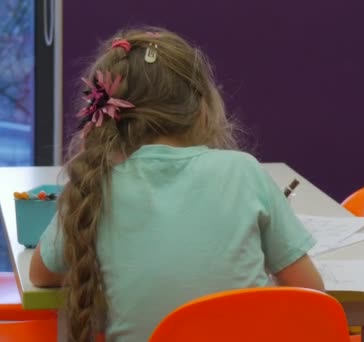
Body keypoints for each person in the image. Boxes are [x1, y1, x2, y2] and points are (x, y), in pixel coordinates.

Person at [29, 27, 323, 342]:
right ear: (201, 109)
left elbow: (41, 274)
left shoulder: (96, 186)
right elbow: (312, 293)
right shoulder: (244, 171)